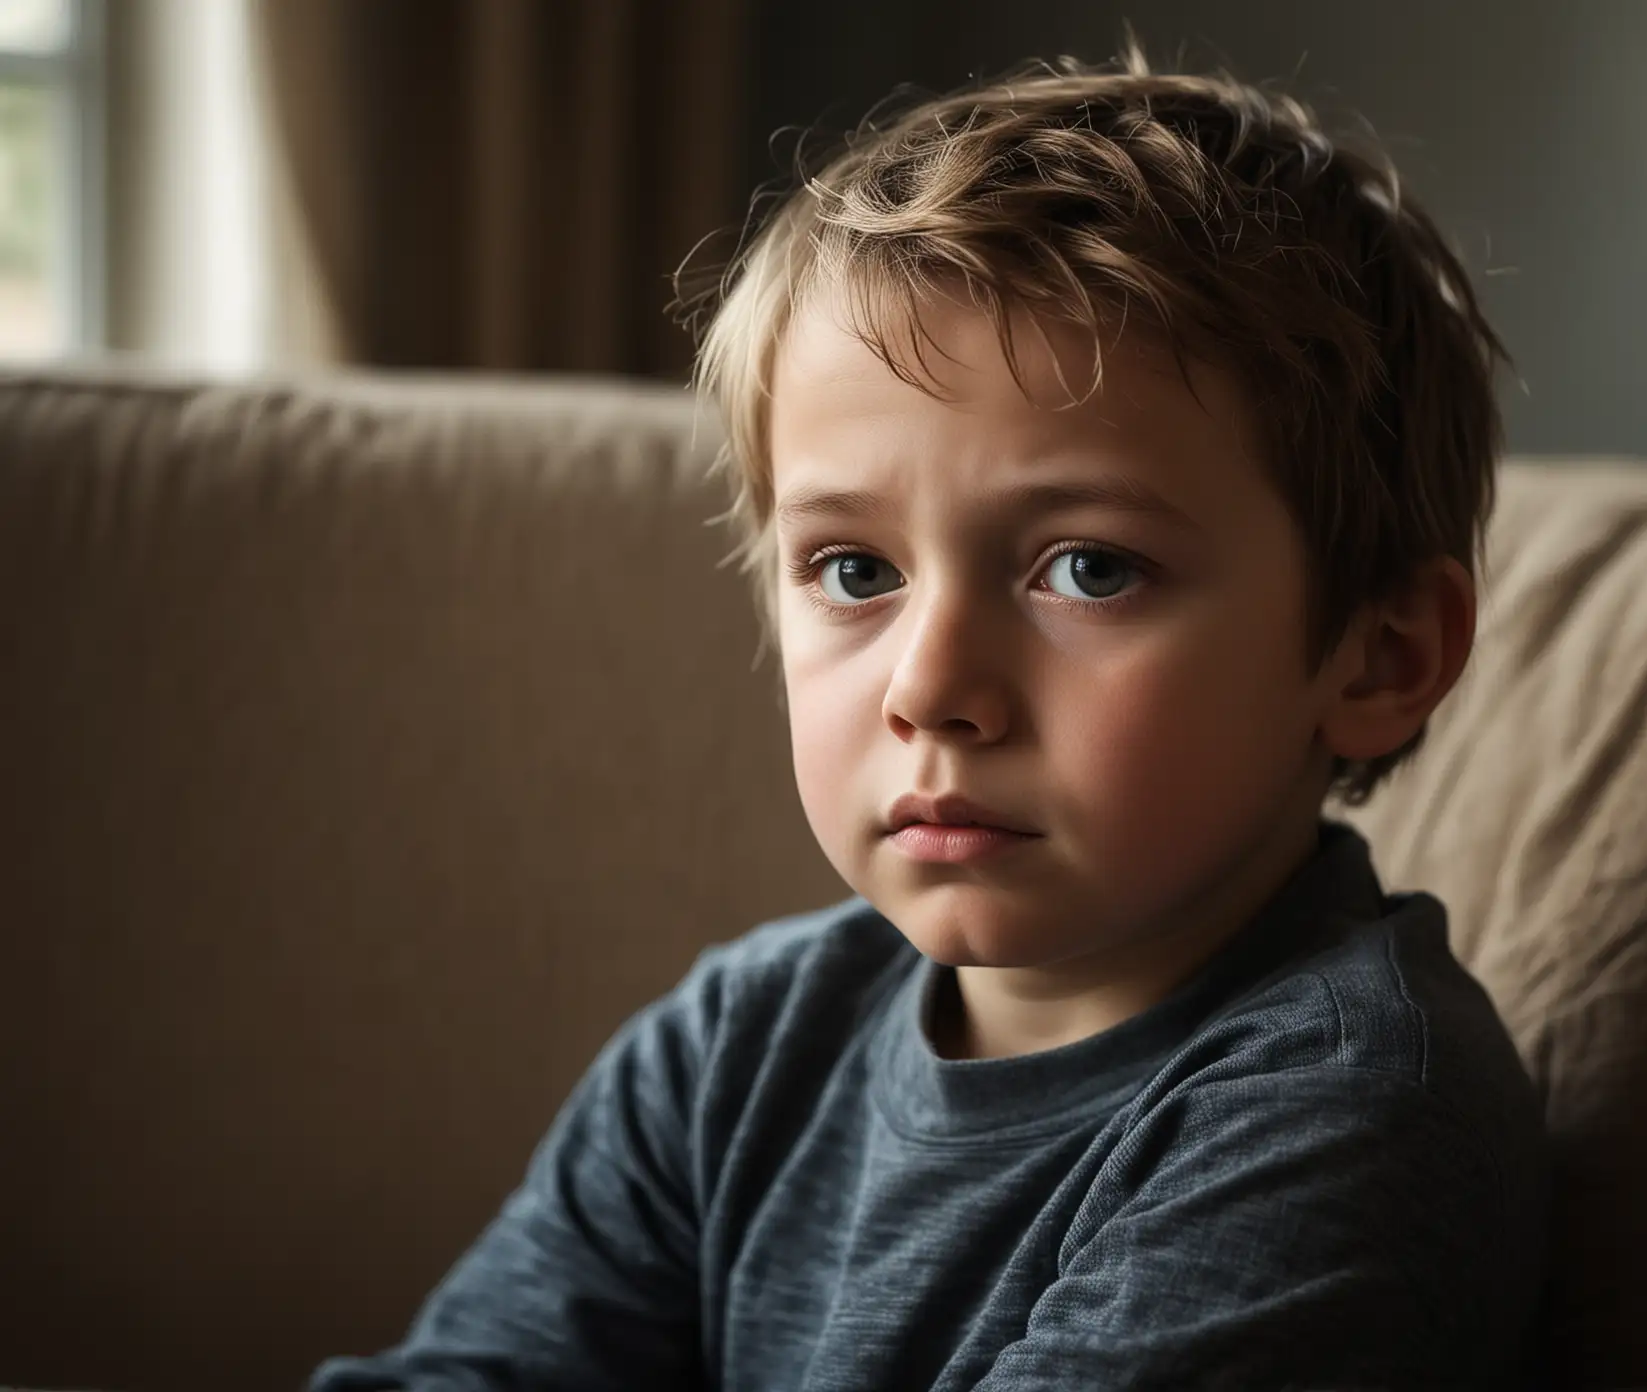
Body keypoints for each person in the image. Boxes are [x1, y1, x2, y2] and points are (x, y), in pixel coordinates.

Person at [312, 40, 1546, 1392]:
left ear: (1378, 656)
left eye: (1089, 569)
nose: (930, 688)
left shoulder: (1341, 1109)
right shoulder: (735, 1050)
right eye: (855, 572)